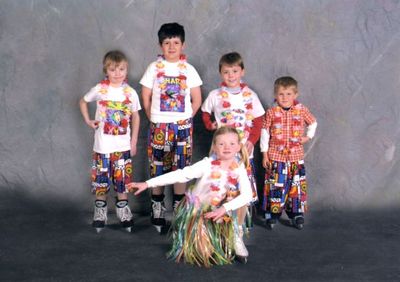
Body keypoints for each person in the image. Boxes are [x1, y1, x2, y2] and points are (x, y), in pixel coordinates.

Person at [126, 126, 252, 266]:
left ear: (239, 147)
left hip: (223, 210)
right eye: (221, 144)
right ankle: (188, 233)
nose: (227, 147)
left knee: (242, 200)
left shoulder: (239, 167)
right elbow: (181, 175)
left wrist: (224, 208)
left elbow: (247, 194)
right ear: (214, 147)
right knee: (204, 255)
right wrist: (148, 183)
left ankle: (236, 234)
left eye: (232, 144)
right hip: (200, 212)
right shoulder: (207, 164)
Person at [139, 22, 202, 232]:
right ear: (160, 45)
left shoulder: (189, 70)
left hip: (182, 128)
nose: (172, 47)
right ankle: (157, 207)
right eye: (167, 43)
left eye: (176, 42)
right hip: (159, 127)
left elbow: (196, 99)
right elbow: (145, 97)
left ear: (183, 45)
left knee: (180, 168)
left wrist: (185, 119)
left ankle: (178, 208)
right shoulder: (153, 68)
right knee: (157, 166)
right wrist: (153, 117)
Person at [79, 50, 141, 233]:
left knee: (122, 181)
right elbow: (83, 101)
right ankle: (100, 211)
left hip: (122, 146)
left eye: (121, 69)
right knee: (101, 181)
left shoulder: (130, 93)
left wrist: (134, 141)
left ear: (126, 70)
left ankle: (123, 210)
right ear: (106, 71)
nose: (118, 73)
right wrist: (88, 120)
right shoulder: (100, 89)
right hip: (102, 146)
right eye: (113, 69)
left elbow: (136, 117)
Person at [201, 52, 265, 227]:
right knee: (221, 182)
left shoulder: (250, 95)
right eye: (226, 72)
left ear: (242, 72)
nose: (231, 76)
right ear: (221, 73)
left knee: (243, 183)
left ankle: (243, 218)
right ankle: (220, 215)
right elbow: (205, 112)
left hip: (243, 148)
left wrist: (252, 140)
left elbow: (259, 120)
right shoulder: (215, 95)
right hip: (223, 149)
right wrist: (210, 125)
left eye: (235, 71)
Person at [260, 76, 317, 230]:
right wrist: (265, 154)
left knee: (295, 186)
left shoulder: (301, 110)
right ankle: (273, 214)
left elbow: (313, 122)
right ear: (275, 95)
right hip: (276, 156)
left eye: (288, 94)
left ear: (295, 95)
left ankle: (296, 214)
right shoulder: (271, 112)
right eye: (281, 94)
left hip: (295, 157)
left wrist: (308, 136)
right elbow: (264, 133)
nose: (285, 98)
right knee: (276, 186)